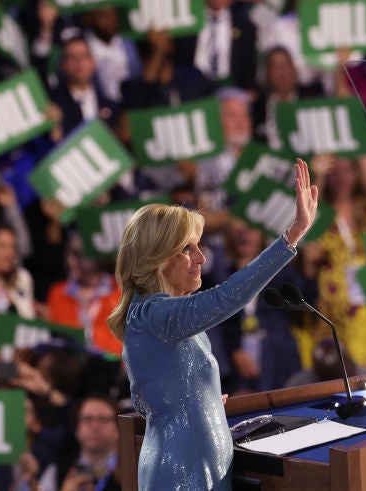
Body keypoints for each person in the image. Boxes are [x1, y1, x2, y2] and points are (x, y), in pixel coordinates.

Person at [107, 158, 318, 490]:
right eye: (187, 249)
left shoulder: (159, 317)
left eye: (199, 247)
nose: (201, 258)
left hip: (203, 471)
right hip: (179, 476)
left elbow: (153, 393)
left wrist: (200, 402)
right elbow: (227, 297)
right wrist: (290, 237)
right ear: (157, 258)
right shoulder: (155, 315)